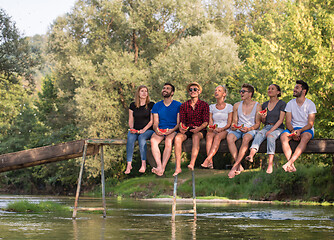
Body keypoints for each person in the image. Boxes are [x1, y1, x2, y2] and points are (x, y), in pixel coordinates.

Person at [245, 84, 286, 174]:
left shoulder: (282, 104)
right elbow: (263, 121)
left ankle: (270, 164)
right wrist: (263, 117)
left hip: (278, 128)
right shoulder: (265, 104)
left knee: (271, 137)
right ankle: (251, 155)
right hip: (267, 126)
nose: (269, 90)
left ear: (278, 92)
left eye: (272, 89)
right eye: (268, 89)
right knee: (259, 134)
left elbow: (280, 120)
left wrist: (271, 131)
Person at [173, 82, 209, 176]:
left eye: (195, 89)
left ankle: (192, 163)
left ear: (199, 92)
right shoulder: (184, 105)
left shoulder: (204, 105)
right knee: (177, 138)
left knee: (196, 137)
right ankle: (178, 167)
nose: (193, 91)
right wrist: (182, 128)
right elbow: (182, 121)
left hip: (200, 129)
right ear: (189, 92)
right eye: (191, 90)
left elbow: (206, 122)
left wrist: (198, 129)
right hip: (188, 128)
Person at [227, 83, 262, 178]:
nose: (241, 93)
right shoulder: (236, 105)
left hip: (251, 129)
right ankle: (238, 165)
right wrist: (234, 127)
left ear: (250, 94)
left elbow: (258, 124)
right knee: (229, 137)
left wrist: (249, 129)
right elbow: (234, 121)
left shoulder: (257, 106)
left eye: (243, 91)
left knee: (246, 138)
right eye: (240, 91)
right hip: (239, 129)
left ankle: (235, 166)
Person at [280, 80, 316, 172]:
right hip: (293, 128)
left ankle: (289, 163)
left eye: (297, 88)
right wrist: (293, 131)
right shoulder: (290, 104)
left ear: (303, 91)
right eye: (295, 87)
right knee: (283, 136)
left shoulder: (310, 104)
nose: (294, 89)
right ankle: (291, 164)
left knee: (305, 137)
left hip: (306, 129)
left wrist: (300, 131)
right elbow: (288, 122)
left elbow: (310, 124)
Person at [150, 83, 182, 176]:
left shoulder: (178, 105)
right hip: (160, 129)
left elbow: (178, 123)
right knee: (153, 141)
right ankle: (159, 165)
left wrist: (172, 130)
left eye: (167, 89)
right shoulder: (157, 105)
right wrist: (156, 130)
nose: (165, 90)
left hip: (172, 130)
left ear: (172, 93)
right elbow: (155, 123)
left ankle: (163, 167)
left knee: (168, 141)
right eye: (164, 88)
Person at [201, 85, 233, 169]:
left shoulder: (229, 107)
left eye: (219, 90)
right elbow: (210, 120)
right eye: (215, 90)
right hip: (214, 128)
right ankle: (210, 162)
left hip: (225, 129)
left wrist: (222, 129)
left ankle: (207, 159)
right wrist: (213, 128)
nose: (216, 92)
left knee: (218, 137)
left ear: (224, 94)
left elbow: (229, 123)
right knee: (209, 136)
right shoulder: (211, 107)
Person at [125, 85, 155, 174]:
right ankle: (129, 164)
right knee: (130, 138)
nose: (144, 93)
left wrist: (144, 130)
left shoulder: (151, 104)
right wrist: (132, 128)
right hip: (136, 130)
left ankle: (143, 163)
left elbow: (152, 121)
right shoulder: (132, 105)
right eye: (142, 91)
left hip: (148, 130)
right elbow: (130, 120)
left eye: (146, 91)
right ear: (138, 93)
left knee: (142, 138)